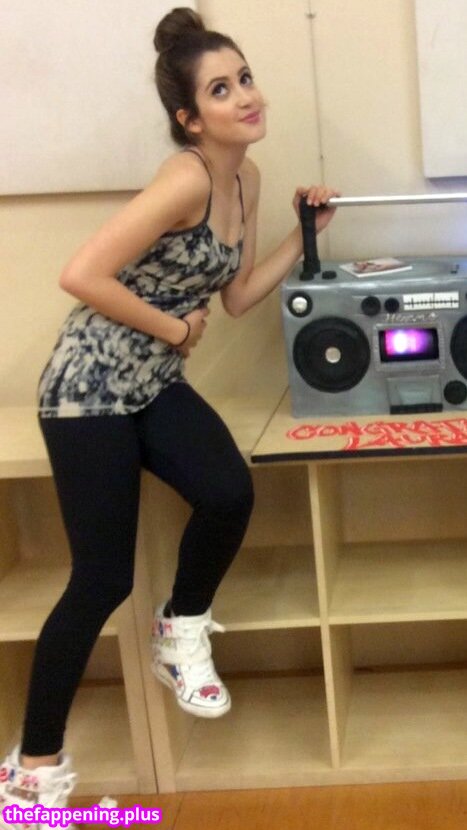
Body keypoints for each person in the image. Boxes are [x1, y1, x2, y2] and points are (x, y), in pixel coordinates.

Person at [0, 6, 339, 825]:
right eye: (220, 90)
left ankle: (180, 628)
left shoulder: (244, 180)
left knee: (227, 492)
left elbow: (237, 294)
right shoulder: (184, 178)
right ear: (190, 118)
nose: (245, 97)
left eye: (245, 78)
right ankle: (30, 774)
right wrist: (175, 330)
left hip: (151, 384)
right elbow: (82, 274)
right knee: (100, 580)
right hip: (87, 391)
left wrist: (305, 235)